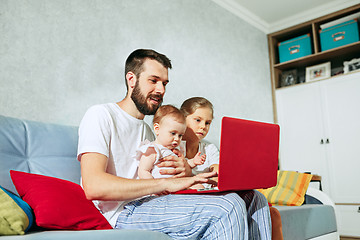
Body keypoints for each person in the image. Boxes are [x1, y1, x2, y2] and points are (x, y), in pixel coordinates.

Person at [78, 48, 271, 239]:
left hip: (154, 201)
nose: (161, 90)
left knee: (255, 199)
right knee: (227, 206)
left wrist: (185, 172)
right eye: (153, 81)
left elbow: (169, 174)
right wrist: (165, 183)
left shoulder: (151, 130)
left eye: (164, 83)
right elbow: (94, 186)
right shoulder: (101, 115)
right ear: (131, 79)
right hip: (123, 211)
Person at [180, 96, 284, 240]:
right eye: (198, 120)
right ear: (183, 119)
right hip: (188, 196)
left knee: (258, 197)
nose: (203, 126)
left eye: (208, 122)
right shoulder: (174, 145)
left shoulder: (208, 147)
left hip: (209, 192)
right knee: (232, 201)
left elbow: (216, 170)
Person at [136, 104, 205, 179]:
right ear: (157, 129)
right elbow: (143, 171)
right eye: (173, 133)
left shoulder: (177, 150)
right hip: (161, 187)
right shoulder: (153, 150)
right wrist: (155, 186)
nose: (177, 139)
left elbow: (184, 165)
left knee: (199, 186)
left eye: (180, 135)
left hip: (178, 185)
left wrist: (194, 162)